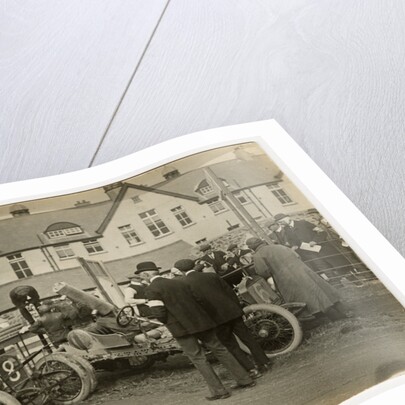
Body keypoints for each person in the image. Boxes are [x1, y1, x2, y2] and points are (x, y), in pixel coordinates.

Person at [139, 261, 255, 401]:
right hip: (202, 323)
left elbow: (159, 313)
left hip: (181, 329)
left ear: (146, 274)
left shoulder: (151, 290)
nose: (142, 279)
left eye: (141, 276)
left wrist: (168, 322)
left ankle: (219, 391)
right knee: (221, 350)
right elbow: (200, 300)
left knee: (198, 358)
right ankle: (245, 379)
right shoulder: (180, 282)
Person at [174, 259, 271, 377]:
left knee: (231, 345)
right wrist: (236, 308)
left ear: (180, 271)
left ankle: (251, 369)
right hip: (232, 311)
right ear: (194, 266)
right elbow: (229, 292)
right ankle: (264, 362)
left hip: (216, 319)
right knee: (248, 338)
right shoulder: (211, 276)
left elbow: (197, 304)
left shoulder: (184, 284)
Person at [245, 237, 350, 321]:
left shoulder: (258, 255)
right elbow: (297, 256)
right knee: (319, 289)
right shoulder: (279, 246)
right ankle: (340, 309)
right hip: (303, 271)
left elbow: (262, 272)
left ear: (252, 247)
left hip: (287, 278)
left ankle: (330, 316)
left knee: (305, 297)